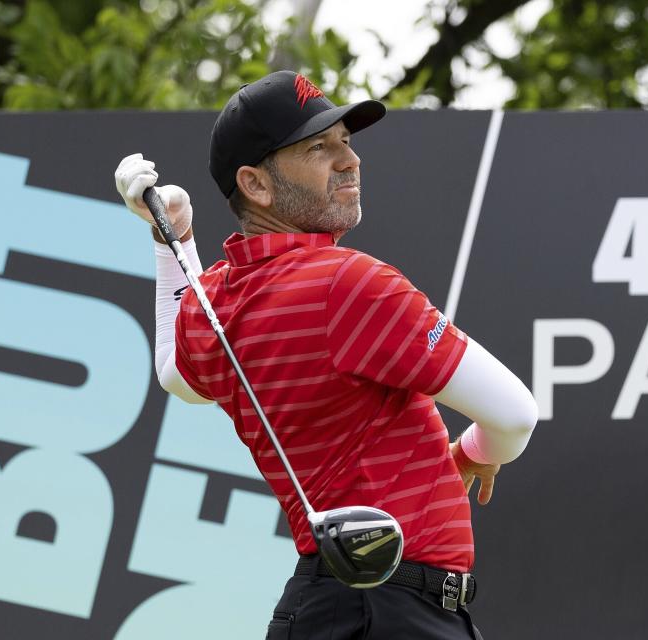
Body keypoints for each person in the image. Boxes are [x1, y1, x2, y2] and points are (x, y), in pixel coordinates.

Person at [115, 70, 538, 639]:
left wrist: (175, 240)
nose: (349, 160)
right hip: (390, 614)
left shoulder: (215, 302)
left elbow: (173, 372)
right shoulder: (348, 283)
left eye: (347, 141)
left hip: (328, 611)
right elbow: (514, 415)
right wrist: (475, 452)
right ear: (256, 185)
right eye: (319, 147)